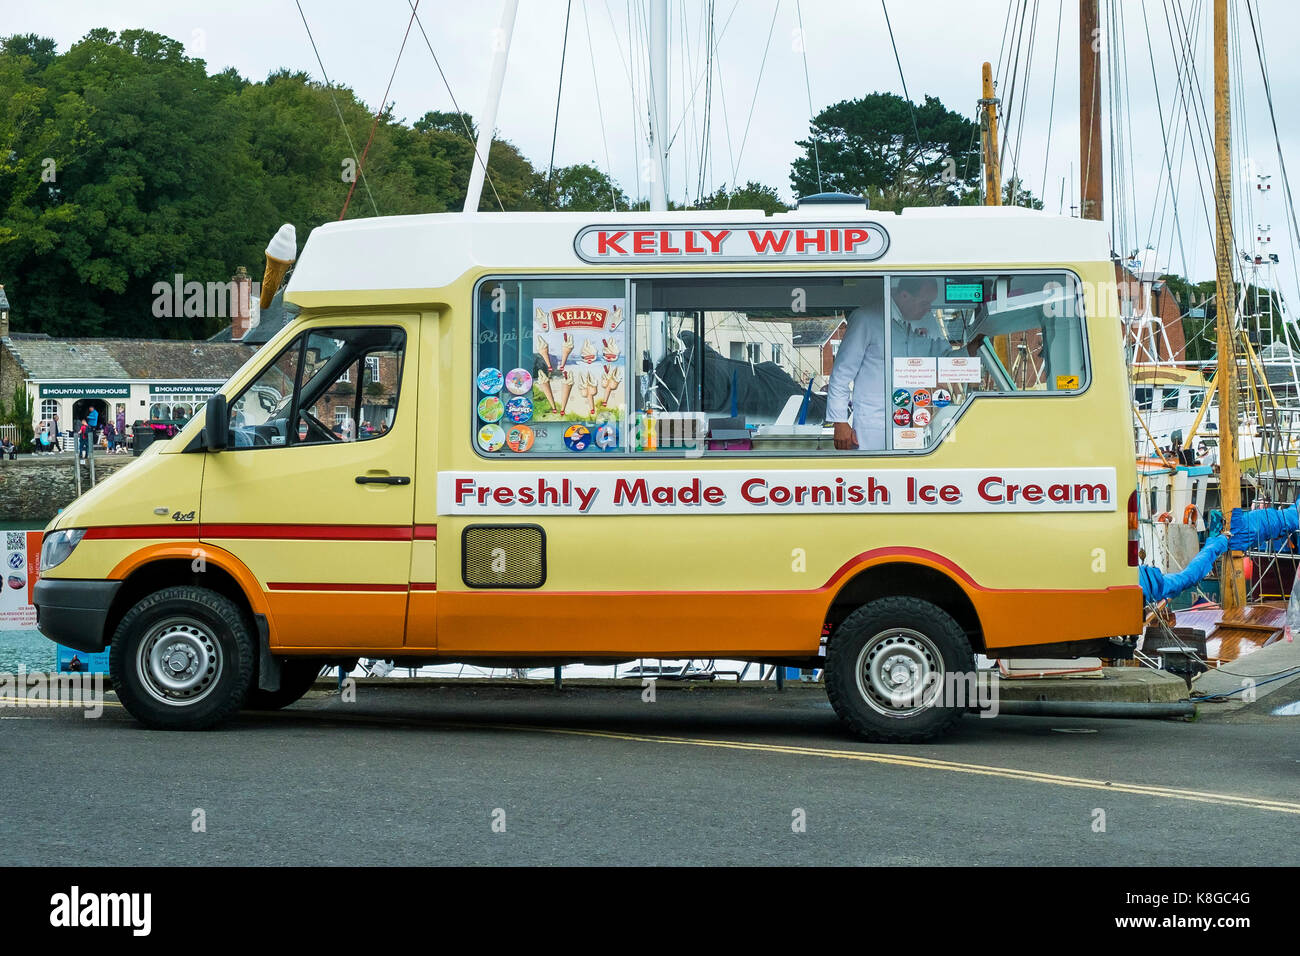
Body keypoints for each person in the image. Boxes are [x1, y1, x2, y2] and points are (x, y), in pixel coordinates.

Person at [827, 276, 977, 450]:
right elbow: (841, 374)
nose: (928, 308)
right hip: (874, 426)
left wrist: (972, 349)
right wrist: (839, 422)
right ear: (904, 295)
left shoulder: (927, 320)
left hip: (917, 421)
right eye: (924, 303)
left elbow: (944, 361)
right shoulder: (866, 319)